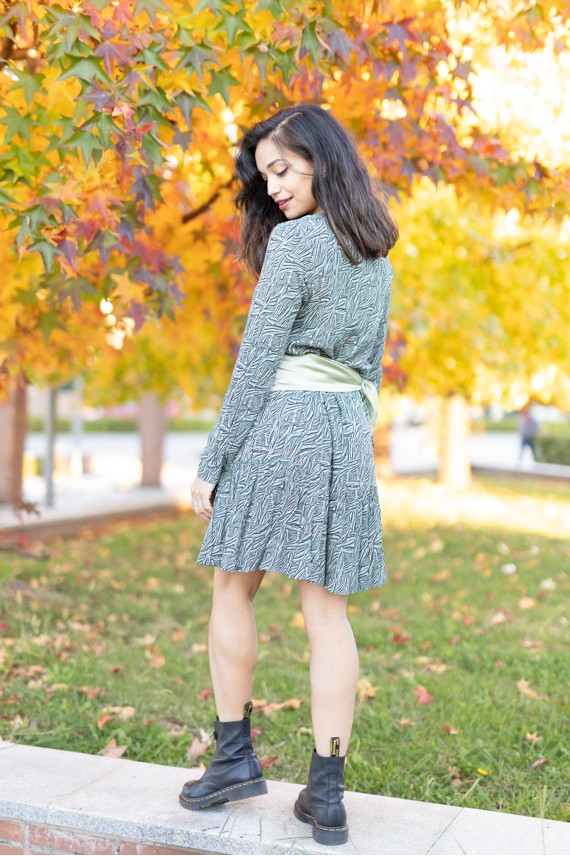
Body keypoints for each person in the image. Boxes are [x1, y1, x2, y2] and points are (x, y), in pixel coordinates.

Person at [179, 103, 398, 846]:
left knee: (232, 586)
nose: (271, 186)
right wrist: (347, 441)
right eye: (264, 175)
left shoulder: (297, 245)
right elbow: (368, 370)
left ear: (321, 159)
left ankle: (234, 757)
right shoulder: (377, 250)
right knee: (328, 614)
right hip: (345, 432)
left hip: (280, 423)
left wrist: (213, 462)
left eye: (282, 169)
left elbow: (256, 362)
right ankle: (326, 794)